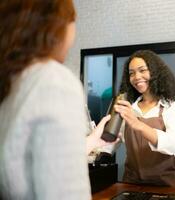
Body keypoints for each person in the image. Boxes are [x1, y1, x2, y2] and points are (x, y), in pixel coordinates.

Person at [0, 1, 114, 199]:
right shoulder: (53, 81)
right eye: (72, 21)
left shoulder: (11, 83)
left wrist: (93, 139)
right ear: (55, 26)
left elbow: (34, 158)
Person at [102, 50, 175, 188]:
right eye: (131, 73)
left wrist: (138, 124)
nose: (136, 77)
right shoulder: (129, 107)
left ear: (155, 72)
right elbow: (112, 142)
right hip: (132, 182)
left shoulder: (174, 105)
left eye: (142, 70)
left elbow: (174, 144)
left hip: (165, 185)